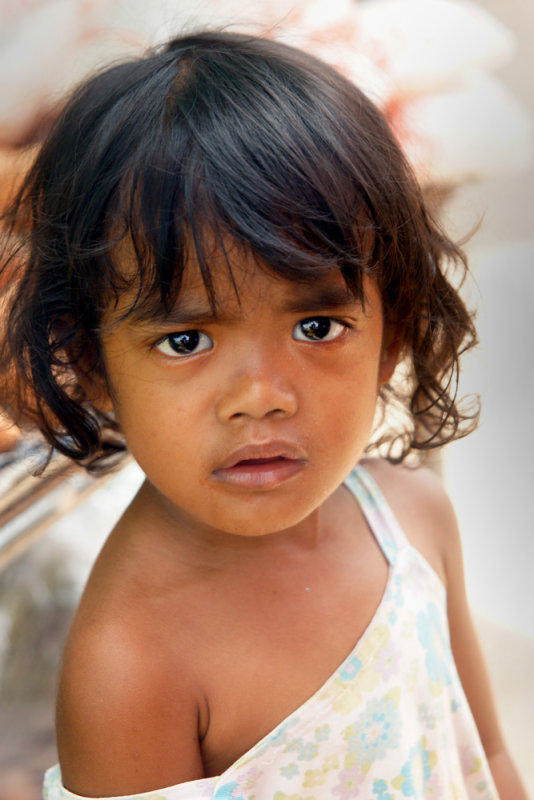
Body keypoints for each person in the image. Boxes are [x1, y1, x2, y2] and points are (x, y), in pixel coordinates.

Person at [0, 30, 528, 800]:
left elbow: (488, 759)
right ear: (93, 365)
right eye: (186, 339)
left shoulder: (413, 522)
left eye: (317, 327)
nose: (262, 394)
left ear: (395, 333)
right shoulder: (134, 662)